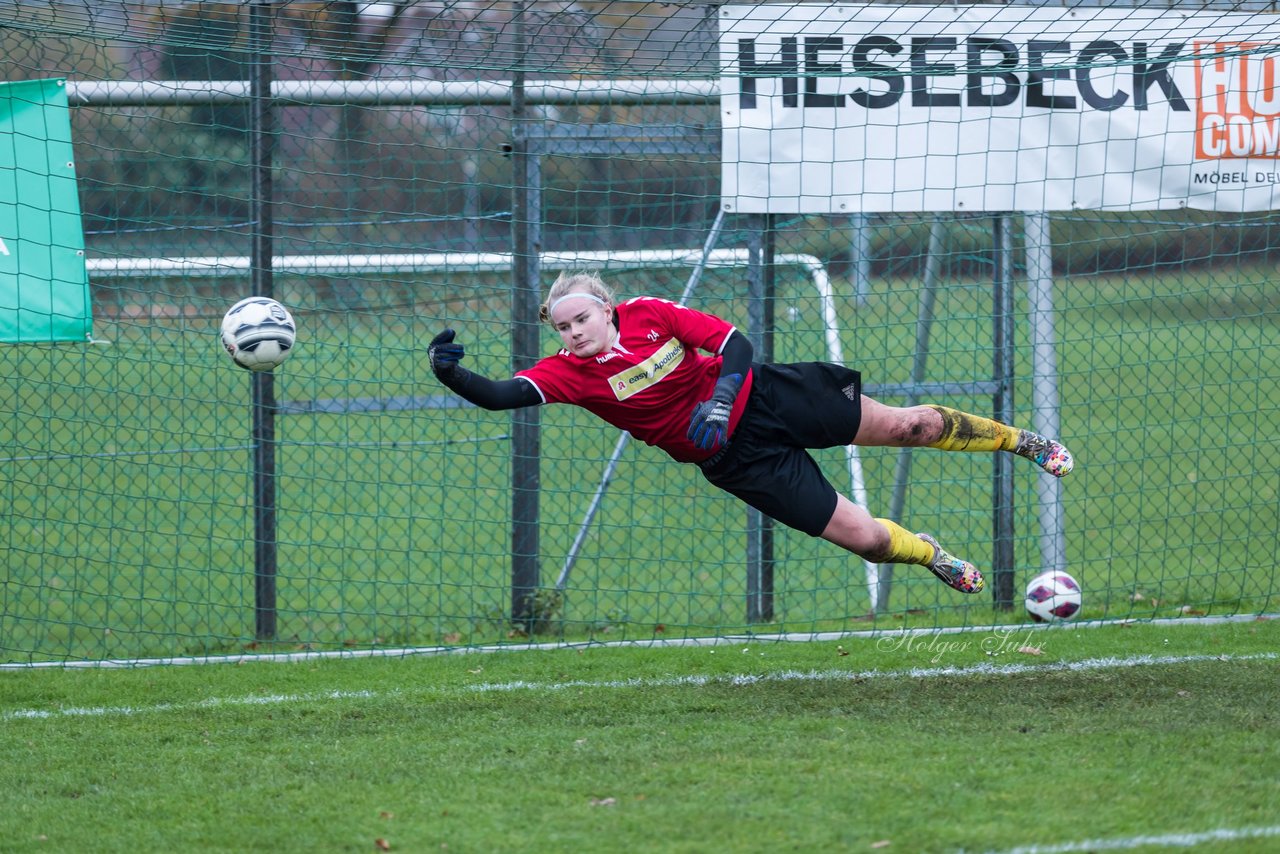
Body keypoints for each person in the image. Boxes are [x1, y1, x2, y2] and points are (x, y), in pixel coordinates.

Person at [428, 271, 1073, 595]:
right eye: (562, 328)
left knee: (914, 425)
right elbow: (499, 396)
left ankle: (1022, 442)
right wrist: (452, 375)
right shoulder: (568, 372)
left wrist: (721, 401)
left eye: (580, 319)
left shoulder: (651, 315)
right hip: (739, 461)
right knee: (869, 541)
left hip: (765, 397)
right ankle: (929, 553)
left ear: (605, 306)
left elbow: (734, 342)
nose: (572, 333)